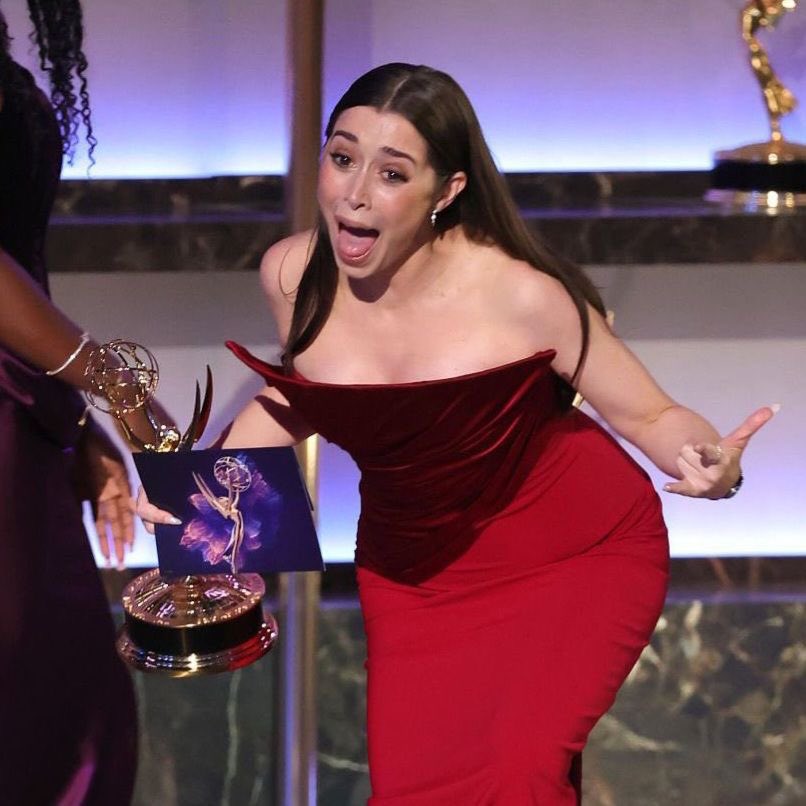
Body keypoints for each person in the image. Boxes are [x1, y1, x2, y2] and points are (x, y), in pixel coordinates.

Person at [141, 62, 776, 804]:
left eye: (391, 174)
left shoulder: (521, 295)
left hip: (572, 556)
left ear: (446, 192)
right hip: (411, 576)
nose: (354, 192)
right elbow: (308, 399)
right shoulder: (292, 272)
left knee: (517, 780)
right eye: (342, 158)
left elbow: (649, 416)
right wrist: (196, 504)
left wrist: (713, 465)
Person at [0, 3, 139, 803]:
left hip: (25, 423)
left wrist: (77, 424)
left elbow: (22, 267)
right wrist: (120, 389)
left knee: (69, 716)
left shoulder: (12, 83)